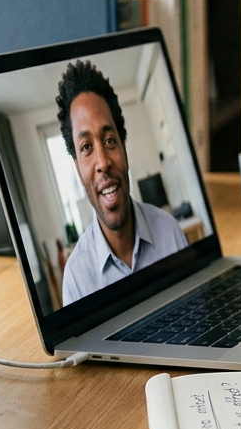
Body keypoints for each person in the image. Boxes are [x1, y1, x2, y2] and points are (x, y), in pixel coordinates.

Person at [58, 60, 188, 306]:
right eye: (86, 147)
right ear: (77, 167)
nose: (103, 162)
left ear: (123, 148)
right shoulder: (76, 279)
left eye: (109, 140)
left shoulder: (170, 231)